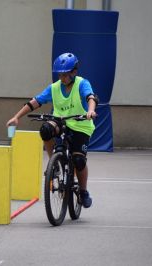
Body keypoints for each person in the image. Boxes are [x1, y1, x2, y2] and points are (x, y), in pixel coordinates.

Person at [6, 52, 98, 208]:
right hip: (61, 121)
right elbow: (35, 102)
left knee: (78, 160)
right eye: (59, 75)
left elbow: (91, 97)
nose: (61, 78)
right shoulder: (54, 88)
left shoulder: (82, 84)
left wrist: (90, 110)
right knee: (46, 129)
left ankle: (83, 191)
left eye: (64, 75)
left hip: (81, 125)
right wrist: (16, 117)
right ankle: (53, 163)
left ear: (74, 72)